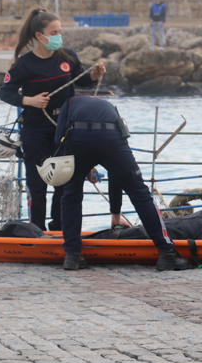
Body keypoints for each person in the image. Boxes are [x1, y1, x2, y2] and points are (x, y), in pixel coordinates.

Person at [54, 96, 193, 271]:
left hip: (78, 137)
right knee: (140, 194)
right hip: (111, 136)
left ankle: (71, 256)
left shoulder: (68, 103)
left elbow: (59, 140)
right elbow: (115, 173)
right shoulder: (109, 107)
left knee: (71, 195)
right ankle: (166, 253)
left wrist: (81, 168)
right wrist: (116, 215)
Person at [0, 7, 106, 232]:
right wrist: (29, 100)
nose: (58, 36)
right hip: (35, 130)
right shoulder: (23, 64)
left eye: (60, 31)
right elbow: (5, 92)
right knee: (37, 185)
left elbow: (82, 79)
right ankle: (37, 229)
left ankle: (59, 228)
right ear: (39, 36)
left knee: (64, 182)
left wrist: (95, 74)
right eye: (54, 32)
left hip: (65, 129)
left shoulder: (67, 56)